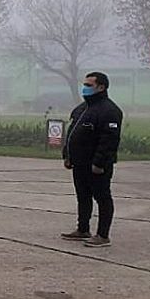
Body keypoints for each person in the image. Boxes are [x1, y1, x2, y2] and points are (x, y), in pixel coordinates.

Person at [61, 71, 123, 248]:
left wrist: (99, 163)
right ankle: (83, 229)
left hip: (96, 165)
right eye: (85, 84)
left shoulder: (110, 111)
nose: (85, 88)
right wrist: (67, 155)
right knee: (83, 196)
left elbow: (109, 140)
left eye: (89, 85)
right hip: (79, 163)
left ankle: (103, 235)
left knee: (102, 198)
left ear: (101, 87)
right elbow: (72, 134)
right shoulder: (82, 109)